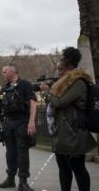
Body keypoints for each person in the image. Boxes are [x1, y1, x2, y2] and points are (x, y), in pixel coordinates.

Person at [39, 47, 97, 191]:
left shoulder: (77, 81)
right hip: (63, 132)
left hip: (74, 132)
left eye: (62, 57)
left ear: (68, 61)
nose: (60, 60)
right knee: (63, 168)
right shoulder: (65, 81)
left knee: (78, 168)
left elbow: (60, 102)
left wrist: (46, 93)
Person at [0, 63, 36, 191]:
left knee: (22, 152)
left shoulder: (25, 85)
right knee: (10, 153)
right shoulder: (4, 88)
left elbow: (33, 103)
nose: (2, 74)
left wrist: (31, 121)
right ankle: (10, 178)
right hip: (8, 123)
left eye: (4, 72)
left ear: (12, 72)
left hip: (22, 121)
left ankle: (23, 181)